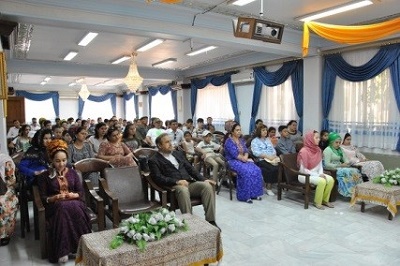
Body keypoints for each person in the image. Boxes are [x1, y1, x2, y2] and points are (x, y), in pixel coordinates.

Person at [148, 133, 219, 230]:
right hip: (173, 187)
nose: (170, 144)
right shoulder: (154, 160)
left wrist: (204, 179)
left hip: (189, 183)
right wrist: (177, 181)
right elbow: (158, 178)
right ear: (159, 145)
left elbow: (191, 169)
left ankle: (211, 221)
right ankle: (189, 222)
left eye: (171, 141)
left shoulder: (178, 154)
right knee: (183, 189)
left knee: (207, 186)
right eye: (167, 142)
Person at [37, 139, 91, 263]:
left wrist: (74, 194)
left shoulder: (72, 173)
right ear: (51, 160)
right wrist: (54, 198)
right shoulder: (44, 176)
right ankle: (63, 250)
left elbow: (81, 192)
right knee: (62, 208)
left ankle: (83, 248)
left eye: (64, 160)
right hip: (55, 206)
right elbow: (43, 197)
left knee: (74, 207)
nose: (61, 164)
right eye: (57, 161)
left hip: (75, 203)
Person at [224, 123, 264, 203]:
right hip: (232, 161)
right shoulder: (228, 142)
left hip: (243, 160)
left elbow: (246, 150)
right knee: (245, 171)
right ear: (232, 132)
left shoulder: (241, 140)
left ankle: (254, 194)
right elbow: (235, 154)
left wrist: (245, 157)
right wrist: (244, 159)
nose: (239, 132)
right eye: (237, 130)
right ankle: (244, 196)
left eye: (240, 130)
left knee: (257, 170)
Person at [297, 131, 335, 210]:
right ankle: (317, 202)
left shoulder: (318, 150)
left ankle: (324, 200)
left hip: (316, 174)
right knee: (322, 181)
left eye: (319, 138)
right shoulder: (303, 151)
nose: (319, 140)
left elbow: (320, 165)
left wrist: (321, 173)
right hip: (304, 175)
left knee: (331, 179)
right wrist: (318, 175)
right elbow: (303, 170)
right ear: (310, 139)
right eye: (316, 138)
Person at [323, 132, 362, 198]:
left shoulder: (340, 150)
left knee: (355, 171)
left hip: (340, 167)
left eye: (339, 142)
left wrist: (347, 163)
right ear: (331, 142)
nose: (338, 144)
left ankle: (358, 192)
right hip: (332, 168)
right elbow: (327, 164)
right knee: (347, 172)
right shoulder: (327, 150)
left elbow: (346, 159)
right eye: (336, 142)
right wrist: (340, 165)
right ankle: (350, 193)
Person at [250, 125, 279, 196]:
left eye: (266, 130)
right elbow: (256, 153)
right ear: (259, 131)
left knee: (280, 167)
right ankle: (268, 188)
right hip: (260, 160)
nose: (265, 131)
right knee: (272, 169)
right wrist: (267, 156)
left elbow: (273, 149)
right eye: (263, 130)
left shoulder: (268, 140)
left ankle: (278, 186)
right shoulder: (255, 141)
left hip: (271, 158)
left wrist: (273, 156)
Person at [0, 154, 19, 246]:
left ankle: (4, 235)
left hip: (5, 189)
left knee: (2, 203)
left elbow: (11, 181)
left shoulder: (5, 161)